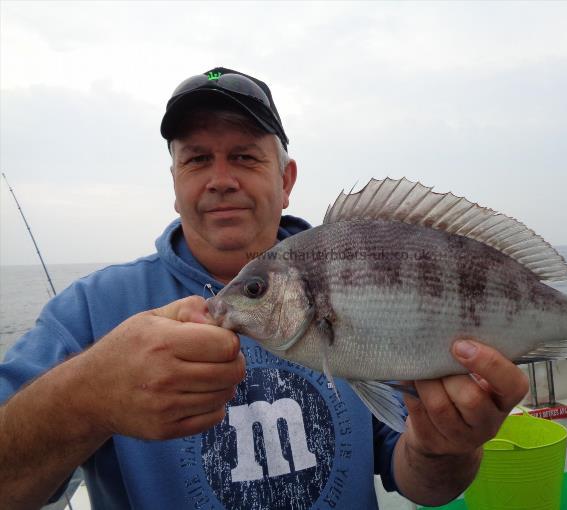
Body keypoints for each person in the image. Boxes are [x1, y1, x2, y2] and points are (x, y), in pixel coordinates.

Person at [0, 67, 529, 509]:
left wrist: (448, 448)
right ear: (175, 183)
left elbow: (422, 482)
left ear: (287, 178)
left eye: (246, 156)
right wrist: (85, 398)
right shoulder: (91, 311)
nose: (221, 178)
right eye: (197, 158)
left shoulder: (352, 270)